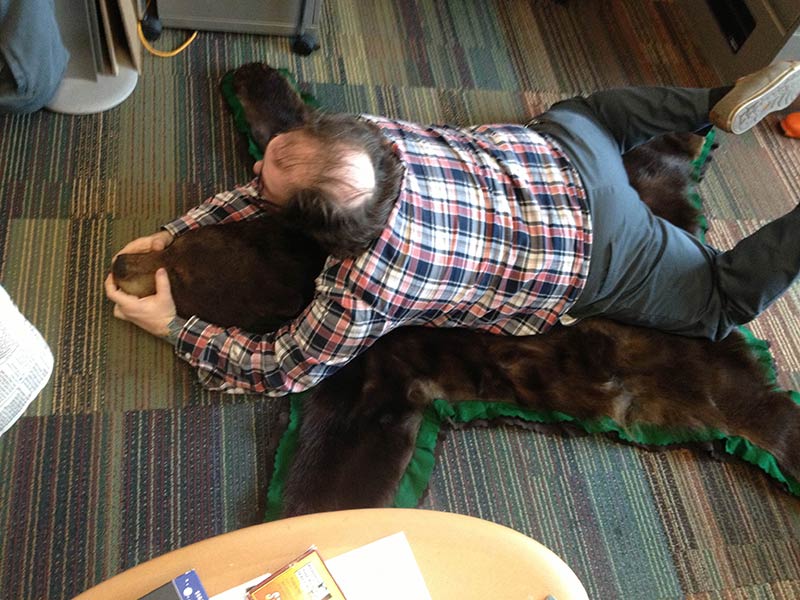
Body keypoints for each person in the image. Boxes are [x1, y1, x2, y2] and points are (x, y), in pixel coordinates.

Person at [105, 61, 800, 397]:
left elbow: (283, 368)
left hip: (596, 248)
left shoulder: (362, 284)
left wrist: (176, 327)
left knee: (717, 304)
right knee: (591, 109)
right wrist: (174, 234)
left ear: (324, 237)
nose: (261, 164)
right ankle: (715, 105)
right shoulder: (371, 136)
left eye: (273, 166)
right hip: (561, 151)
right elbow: (268, 191)